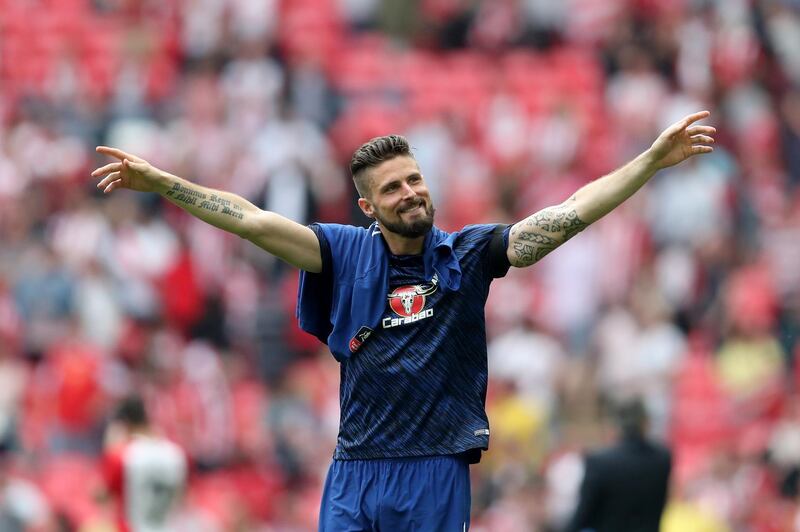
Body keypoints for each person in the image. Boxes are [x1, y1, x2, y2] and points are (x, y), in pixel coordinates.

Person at [92, 110, 715, 530]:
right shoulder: (342, 250)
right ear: (368, 205)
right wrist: (161, 182)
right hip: (356, 466)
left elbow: (568, 212)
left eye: (414, 179)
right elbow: (249, 219)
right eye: (392, 188)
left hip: (436, 466)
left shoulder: (469, 256)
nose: (410, 193)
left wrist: (650, 163)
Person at [565, 398, 672, 532]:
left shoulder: (600, 463)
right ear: (645, 423)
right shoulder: (662, 458)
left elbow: (582, 517)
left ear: (614, 426)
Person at [101, 395, 188, 532]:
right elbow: (182, 496)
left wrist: (109, 447)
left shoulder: (121, 455)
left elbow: (102, 494)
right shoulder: (175, 453)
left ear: (124, 424)